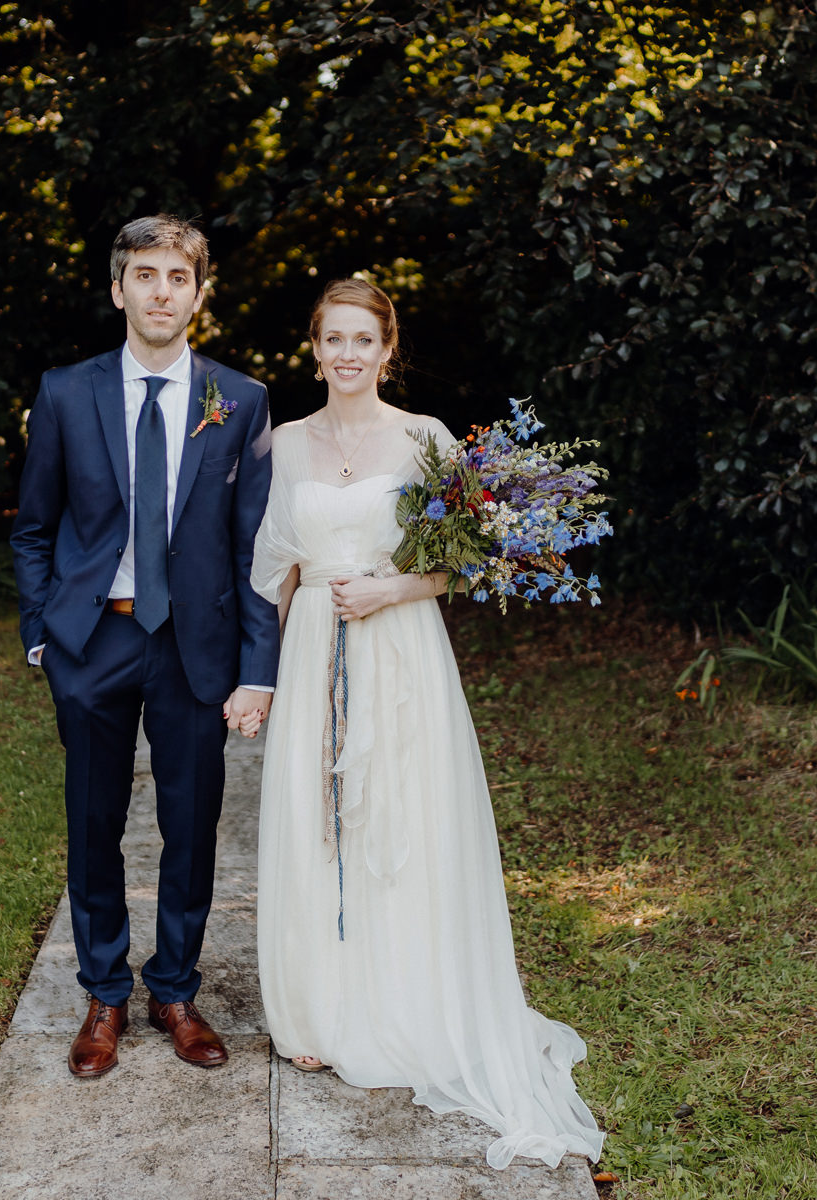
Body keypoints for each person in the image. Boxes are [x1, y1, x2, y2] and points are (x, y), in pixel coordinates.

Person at [248, 279, 604, 1170]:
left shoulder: (425, 439)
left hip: (400, 643)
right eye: (333, 339)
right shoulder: (283, 443)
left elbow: (470, 562)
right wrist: (265, 677)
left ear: (387, 347)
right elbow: (272, 573)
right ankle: (319, 1012)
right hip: (314, 650)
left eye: (363, 339)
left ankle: (403, 1005)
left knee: (398, 822)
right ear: (315, 347)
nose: (348, 355)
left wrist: (391, 588)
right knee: (319, 823)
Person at [11, 214, 278, 1079]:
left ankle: (173, 988)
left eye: (178, 278)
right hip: (94, 637)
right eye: (147, 275)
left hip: (194, 645)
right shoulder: (64, 392)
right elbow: (33, 529)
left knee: (192, 825)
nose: (162, 292)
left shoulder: (239, 400)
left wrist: (255, 664)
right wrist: (42, 635)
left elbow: (254, 549)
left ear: (199, 294)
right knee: (92, 822)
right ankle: (103, 994)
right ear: (118, 285)